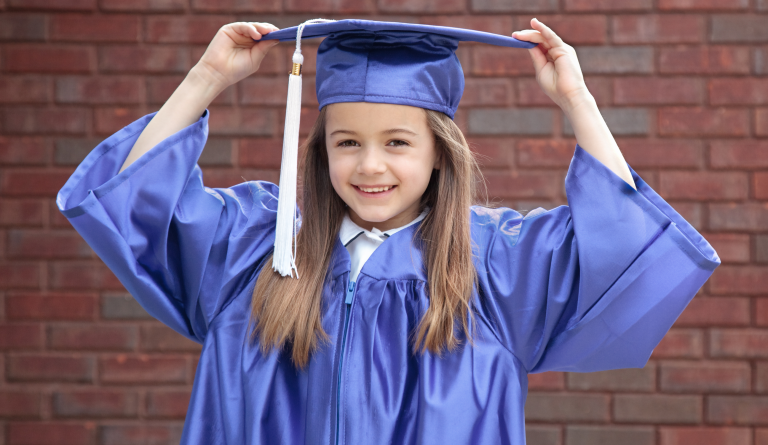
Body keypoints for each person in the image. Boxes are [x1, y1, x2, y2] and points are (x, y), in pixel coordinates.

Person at [56, 18, 720, 445]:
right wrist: (207, 79)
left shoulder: (497, 265)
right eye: (346, 142)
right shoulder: (253, 250)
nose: (370, 165)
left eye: (398, 142)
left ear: (440, 152)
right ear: (320, 151)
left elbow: (627, 246)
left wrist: (578, 100)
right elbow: (134, 202)